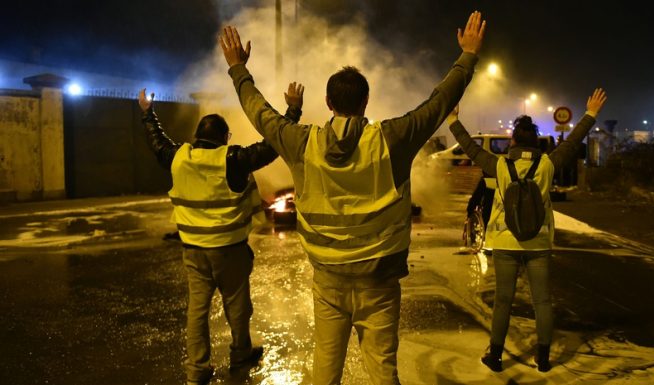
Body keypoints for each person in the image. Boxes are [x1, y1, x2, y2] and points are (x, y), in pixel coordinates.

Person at [217, 11, 486, 385]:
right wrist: (467, 57)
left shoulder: (302, 142)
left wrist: (237, 68)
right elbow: (437, 103)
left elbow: (259, 112)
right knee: (382, 370)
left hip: (329, 281)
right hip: (380, 282)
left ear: (328, 102)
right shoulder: (391, 139)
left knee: (325, 370)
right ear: (366, 101)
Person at [137, 83, 304, 385]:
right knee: (238, 307)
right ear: (225, 138)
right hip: (230, 250)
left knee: (196, 312)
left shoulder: (179, 157)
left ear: (197, 137)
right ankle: (240, 354)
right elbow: (273, 144)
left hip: (193, 251)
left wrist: (149, 114)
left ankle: (197, 370)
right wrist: (293, 110)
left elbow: (156, 142)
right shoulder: (233, 159)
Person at [446, 88, 607, 373]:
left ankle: (495, 356)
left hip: (505, 242)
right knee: (542, 301)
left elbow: (470, 148)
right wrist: (591, 114)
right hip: (539, 242)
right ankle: (543, 358)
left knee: (503, 301)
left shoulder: (500, 165)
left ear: (513, 141)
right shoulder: (547, 164)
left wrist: (454, 121)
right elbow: (572, 143)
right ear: (536, 142)